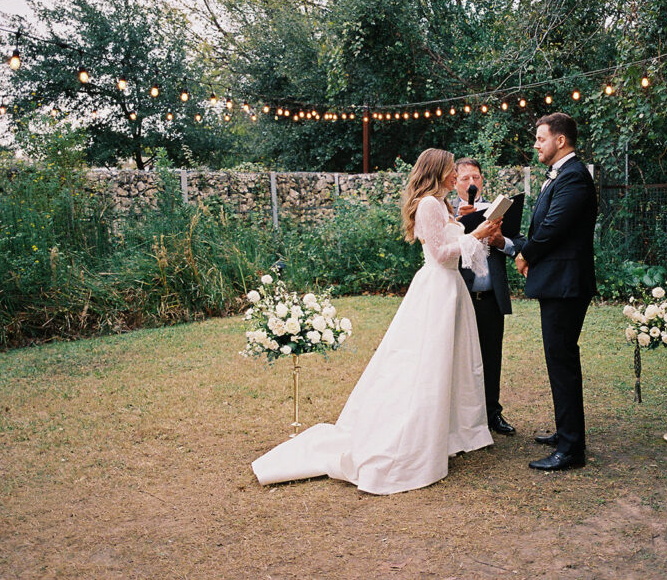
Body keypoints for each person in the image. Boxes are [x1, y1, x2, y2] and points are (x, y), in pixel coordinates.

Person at [252, 149, 503, 495]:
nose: (455, 175)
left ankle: (450, 431)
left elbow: (453, 246)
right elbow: (440, 254)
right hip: (436, 290)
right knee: (427, 363)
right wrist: (474, 236)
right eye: (450, 170)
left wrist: (478, 230)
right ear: (438, 171)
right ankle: (414, 435)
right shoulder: (429, 205)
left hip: (452, 290)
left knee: (453, 363)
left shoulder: (444, 205)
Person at [515, 113, 598, 471]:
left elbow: (553, 227)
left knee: (562, 362)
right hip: (557, 283)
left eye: (541, 138)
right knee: (559, 360)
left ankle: (571, 449)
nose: (536, 144)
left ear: (560, 141)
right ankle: (567, 433)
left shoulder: (575, 177)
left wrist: (526, 252)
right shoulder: (562, 175)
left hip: (566, 284)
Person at [452, 158, 524, 436]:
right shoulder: (447, 212)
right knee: (460, 358)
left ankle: (492, 413)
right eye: (465, 178)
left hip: (491, 296)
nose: (472, 183)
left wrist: (500, 241)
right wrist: (462, 226)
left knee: (492, 357)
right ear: (454, 182)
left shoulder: (497, 210)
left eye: (477, 177)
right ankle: (461, 416)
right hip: (460, 296)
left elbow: (519, 243)